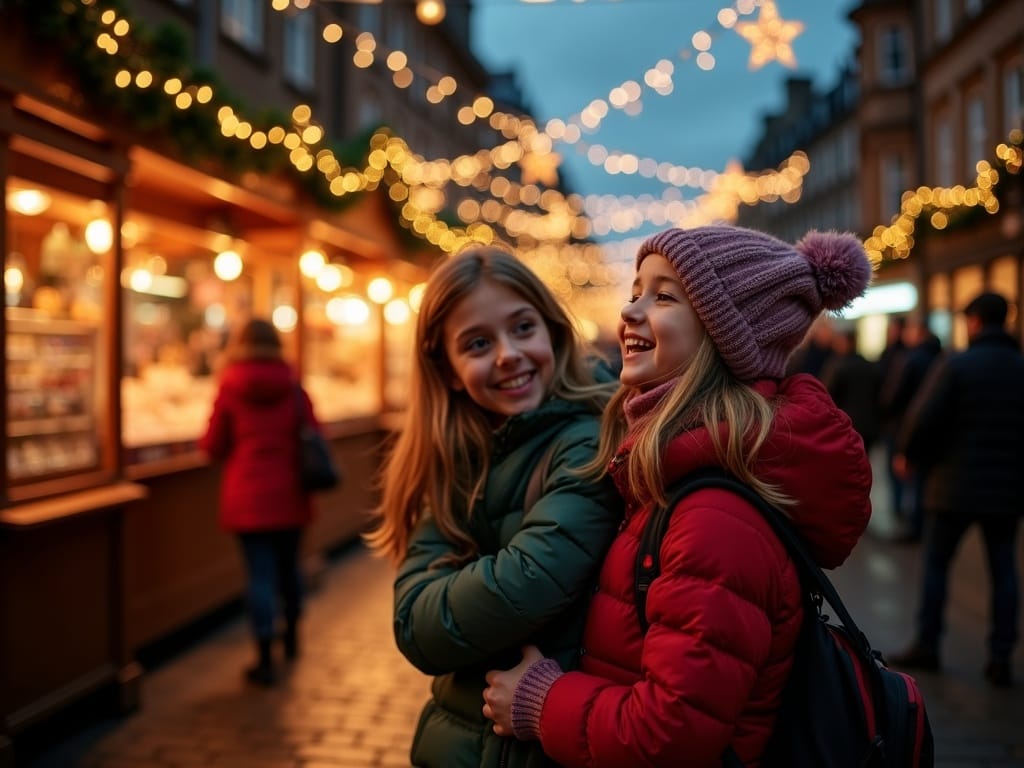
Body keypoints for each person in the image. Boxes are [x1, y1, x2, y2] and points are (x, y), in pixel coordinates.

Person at [482, 225, 874, 767]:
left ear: (725, 334)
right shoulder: (670, 469)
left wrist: (541, 702)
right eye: (636, 291)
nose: (630, 312)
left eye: (663, 296)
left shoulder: (715, 517)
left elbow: (672, 734)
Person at [367, 247, 622, 767]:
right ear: (451, 372)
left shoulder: (586, 443)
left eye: (522, 327)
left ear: (551, 330)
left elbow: (525, 579)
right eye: (479, 343)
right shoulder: (459, 463)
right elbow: (413, 620)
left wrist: (459, 580)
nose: (507, 354)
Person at [890, 291, 1024, 687]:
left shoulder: (958, 365)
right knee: (1003, 570)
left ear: (976, 322)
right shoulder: (1020, 367)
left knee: (936, 564)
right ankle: (1001, 656)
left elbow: (923, 416)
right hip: (1008, 489)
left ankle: (928, 644)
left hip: (953, 485)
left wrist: (907, 454)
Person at [199, 318, 320, 686]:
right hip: (290, 494)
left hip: (248, 497)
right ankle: (294, 636)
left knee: (259, 576)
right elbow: (316, 432)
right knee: (289, 568)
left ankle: (265, 655)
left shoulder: (230, 385)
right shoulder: (293, 384)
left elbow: (213, 444)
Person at [878, 318, 942, 542]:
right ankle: (919, 518)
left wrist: (885, 410)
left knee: (900, 470)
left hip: (902, 425)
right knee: (922, 476)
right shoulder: (941, 359)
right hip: (934, 428)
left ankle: (905, 516)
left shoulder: (909, 360)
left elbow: (893, 396)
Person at [820, 327, 883, 452]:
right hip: (869, 425)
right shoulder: (870, 365)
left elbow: (828, 396)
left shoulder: (838, 367)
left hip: (847, 425)